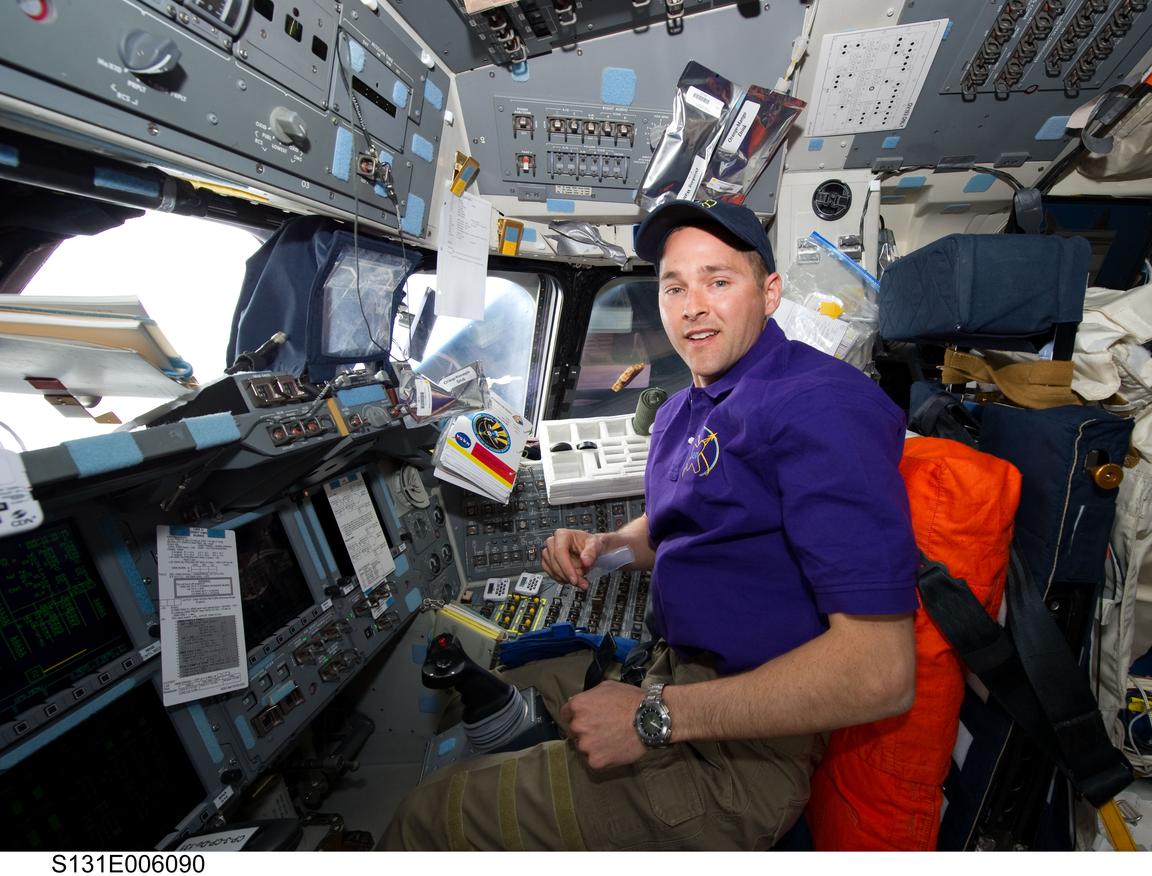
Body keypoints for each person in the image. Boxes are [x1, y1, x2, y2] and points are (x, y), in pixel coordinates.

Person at [380, 198, 918, 851]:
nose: (693, 304)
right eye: (674, 285)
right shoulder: (688, 409)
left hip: (736, 757)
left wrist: (655, 716)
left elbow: (879, 671)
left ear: (770, 292)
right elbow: (683, 527)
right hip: (669, 671)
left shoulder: (820, 405)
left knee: (427, 813)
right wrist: (606, 548)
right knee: (503, 682)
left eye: (719, 281)